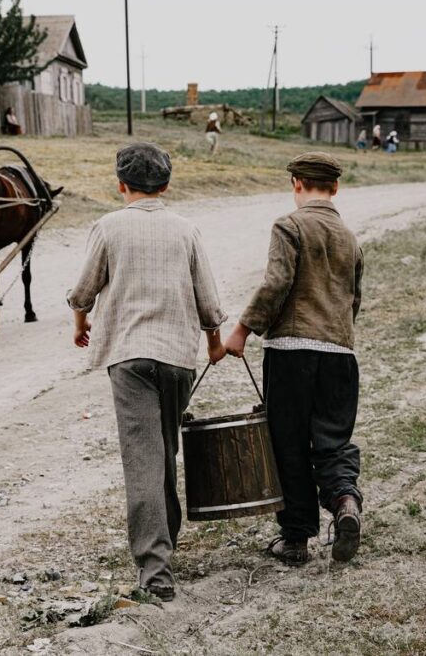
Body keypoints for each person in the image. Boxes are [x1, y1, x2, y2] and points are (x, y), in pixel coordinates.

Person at [67, 143, 227, 602]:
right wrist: (214, 342)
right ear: (167, 185)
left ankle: (155, 571)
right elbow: (209, 300)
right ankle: (165, 544)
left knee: (142, 457)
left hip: (130, 357)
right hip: (177, 357)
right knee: (164, 451)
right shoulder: (186, 229)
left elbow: (84, 290)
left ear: (121, 184)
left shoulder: (108, 227)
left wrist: (82, 325)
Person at [223, 152, 364, 566]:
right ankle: (344, 503)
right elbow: (355, 298)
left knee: (289, 444)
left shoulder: (289, 225)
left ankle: (297, 537)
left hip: (290, 352)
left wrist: (242, 329)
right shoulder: (350, 237)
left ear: (296, 184)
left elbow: (277, 283)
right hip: (340, 353)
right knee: (333, 441)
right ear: (335, 188)